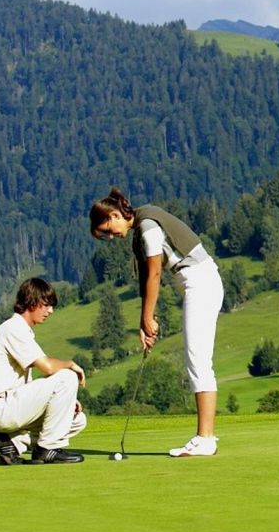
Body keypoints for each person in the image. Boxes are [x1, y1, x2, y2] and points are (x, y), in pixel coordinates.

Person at [89, 188, 223, 457]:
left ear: (116, 214)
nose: (111, 236)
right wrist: (144, 322)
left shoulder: (148, 227)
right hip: (194, 283)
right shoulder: (140, 229)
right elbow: (144, 281)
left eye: (109, 229)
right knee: (197, 359)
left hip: (201, 282)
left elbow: (154, 274)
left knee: (198, 360)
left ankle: (206, 438)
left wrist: (148, 317)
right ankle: (205, 436)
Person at [0, 276, 87, 464]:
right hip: (2, 407)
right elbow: (48, 367)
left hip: (11, 405)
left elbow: (36, 383)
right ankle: (47, 449)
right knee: (67, 377)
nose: (50, 311)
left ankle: (12, 442)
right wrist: (70, 364)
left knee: (78, 420)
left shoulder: (21, 330)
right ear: (32, 302)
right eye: (46, 305)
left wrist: (65, 401)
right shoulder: (13, 328)